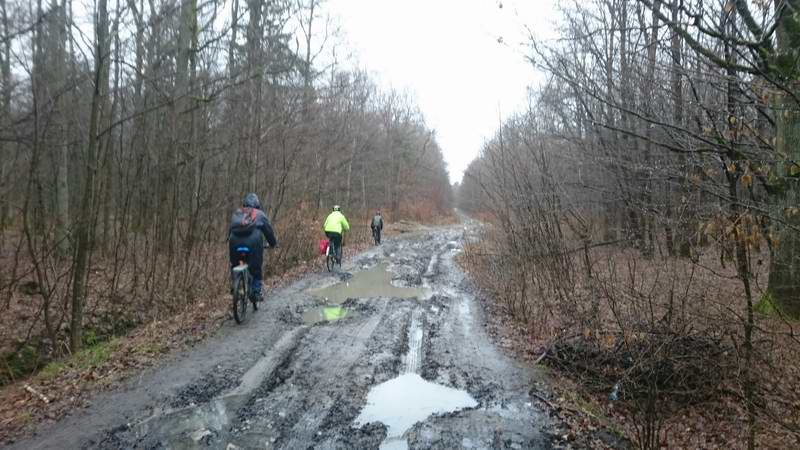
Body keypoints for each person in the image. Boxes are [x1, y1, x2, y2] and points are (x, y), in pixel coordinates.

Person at [228, 193, 277, 302]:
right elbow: (268, 231)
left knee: (234, 264)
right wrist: (273, 244)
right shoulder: (260, 214)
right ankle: (256, 291)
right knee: (256, 267)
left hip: (234, 242)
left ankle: (235, 284)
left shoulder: (237, 213)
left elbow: (230, 229)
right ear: (257, 204)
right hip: (253, 243)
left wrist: (229, 240)